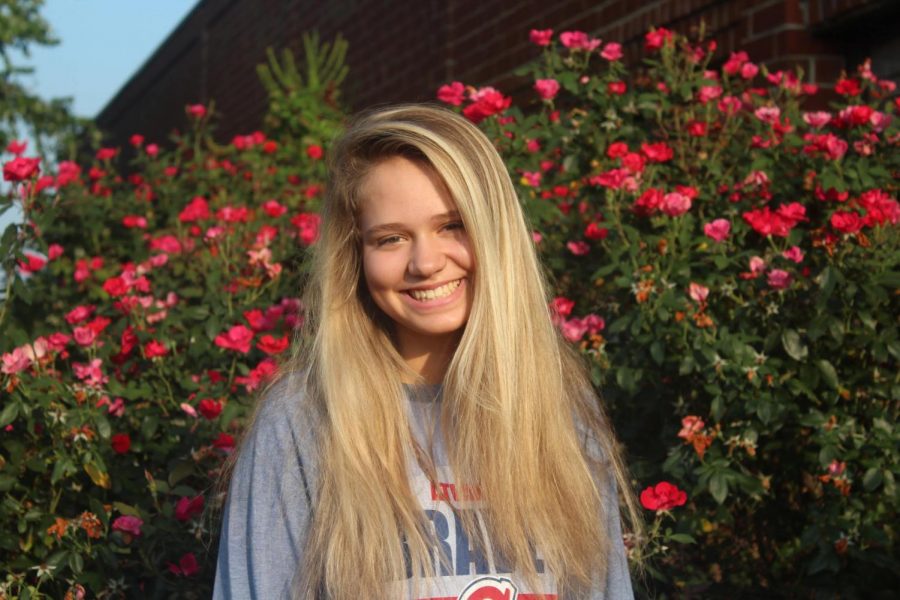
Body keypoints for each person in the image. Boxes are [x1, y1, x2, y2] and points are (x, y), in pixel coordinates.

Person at [212, 105, 639, 599]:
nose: (426, 262)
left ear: (494, 232)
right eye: (391, 238)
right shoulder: (303, 421)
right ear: (357, 257)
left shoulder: (561, 413)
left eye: (452, 225)